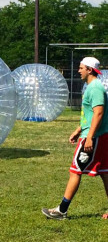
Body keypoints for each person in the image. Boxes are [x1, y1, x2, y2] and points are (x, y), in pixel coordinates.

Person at [42, 57, 108, 220]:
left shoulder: (95, 88)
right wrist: (78, 129)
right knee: (105, 173)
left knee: (75, 171)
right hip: (99, 136)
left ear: (90, 70)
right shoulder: (92, 87)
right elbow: (90, 114)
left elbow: (99, 113)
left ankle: (61, 211)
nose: (78, 70)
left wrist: (89, 137)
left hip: (94, 137)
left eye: (81, 68)